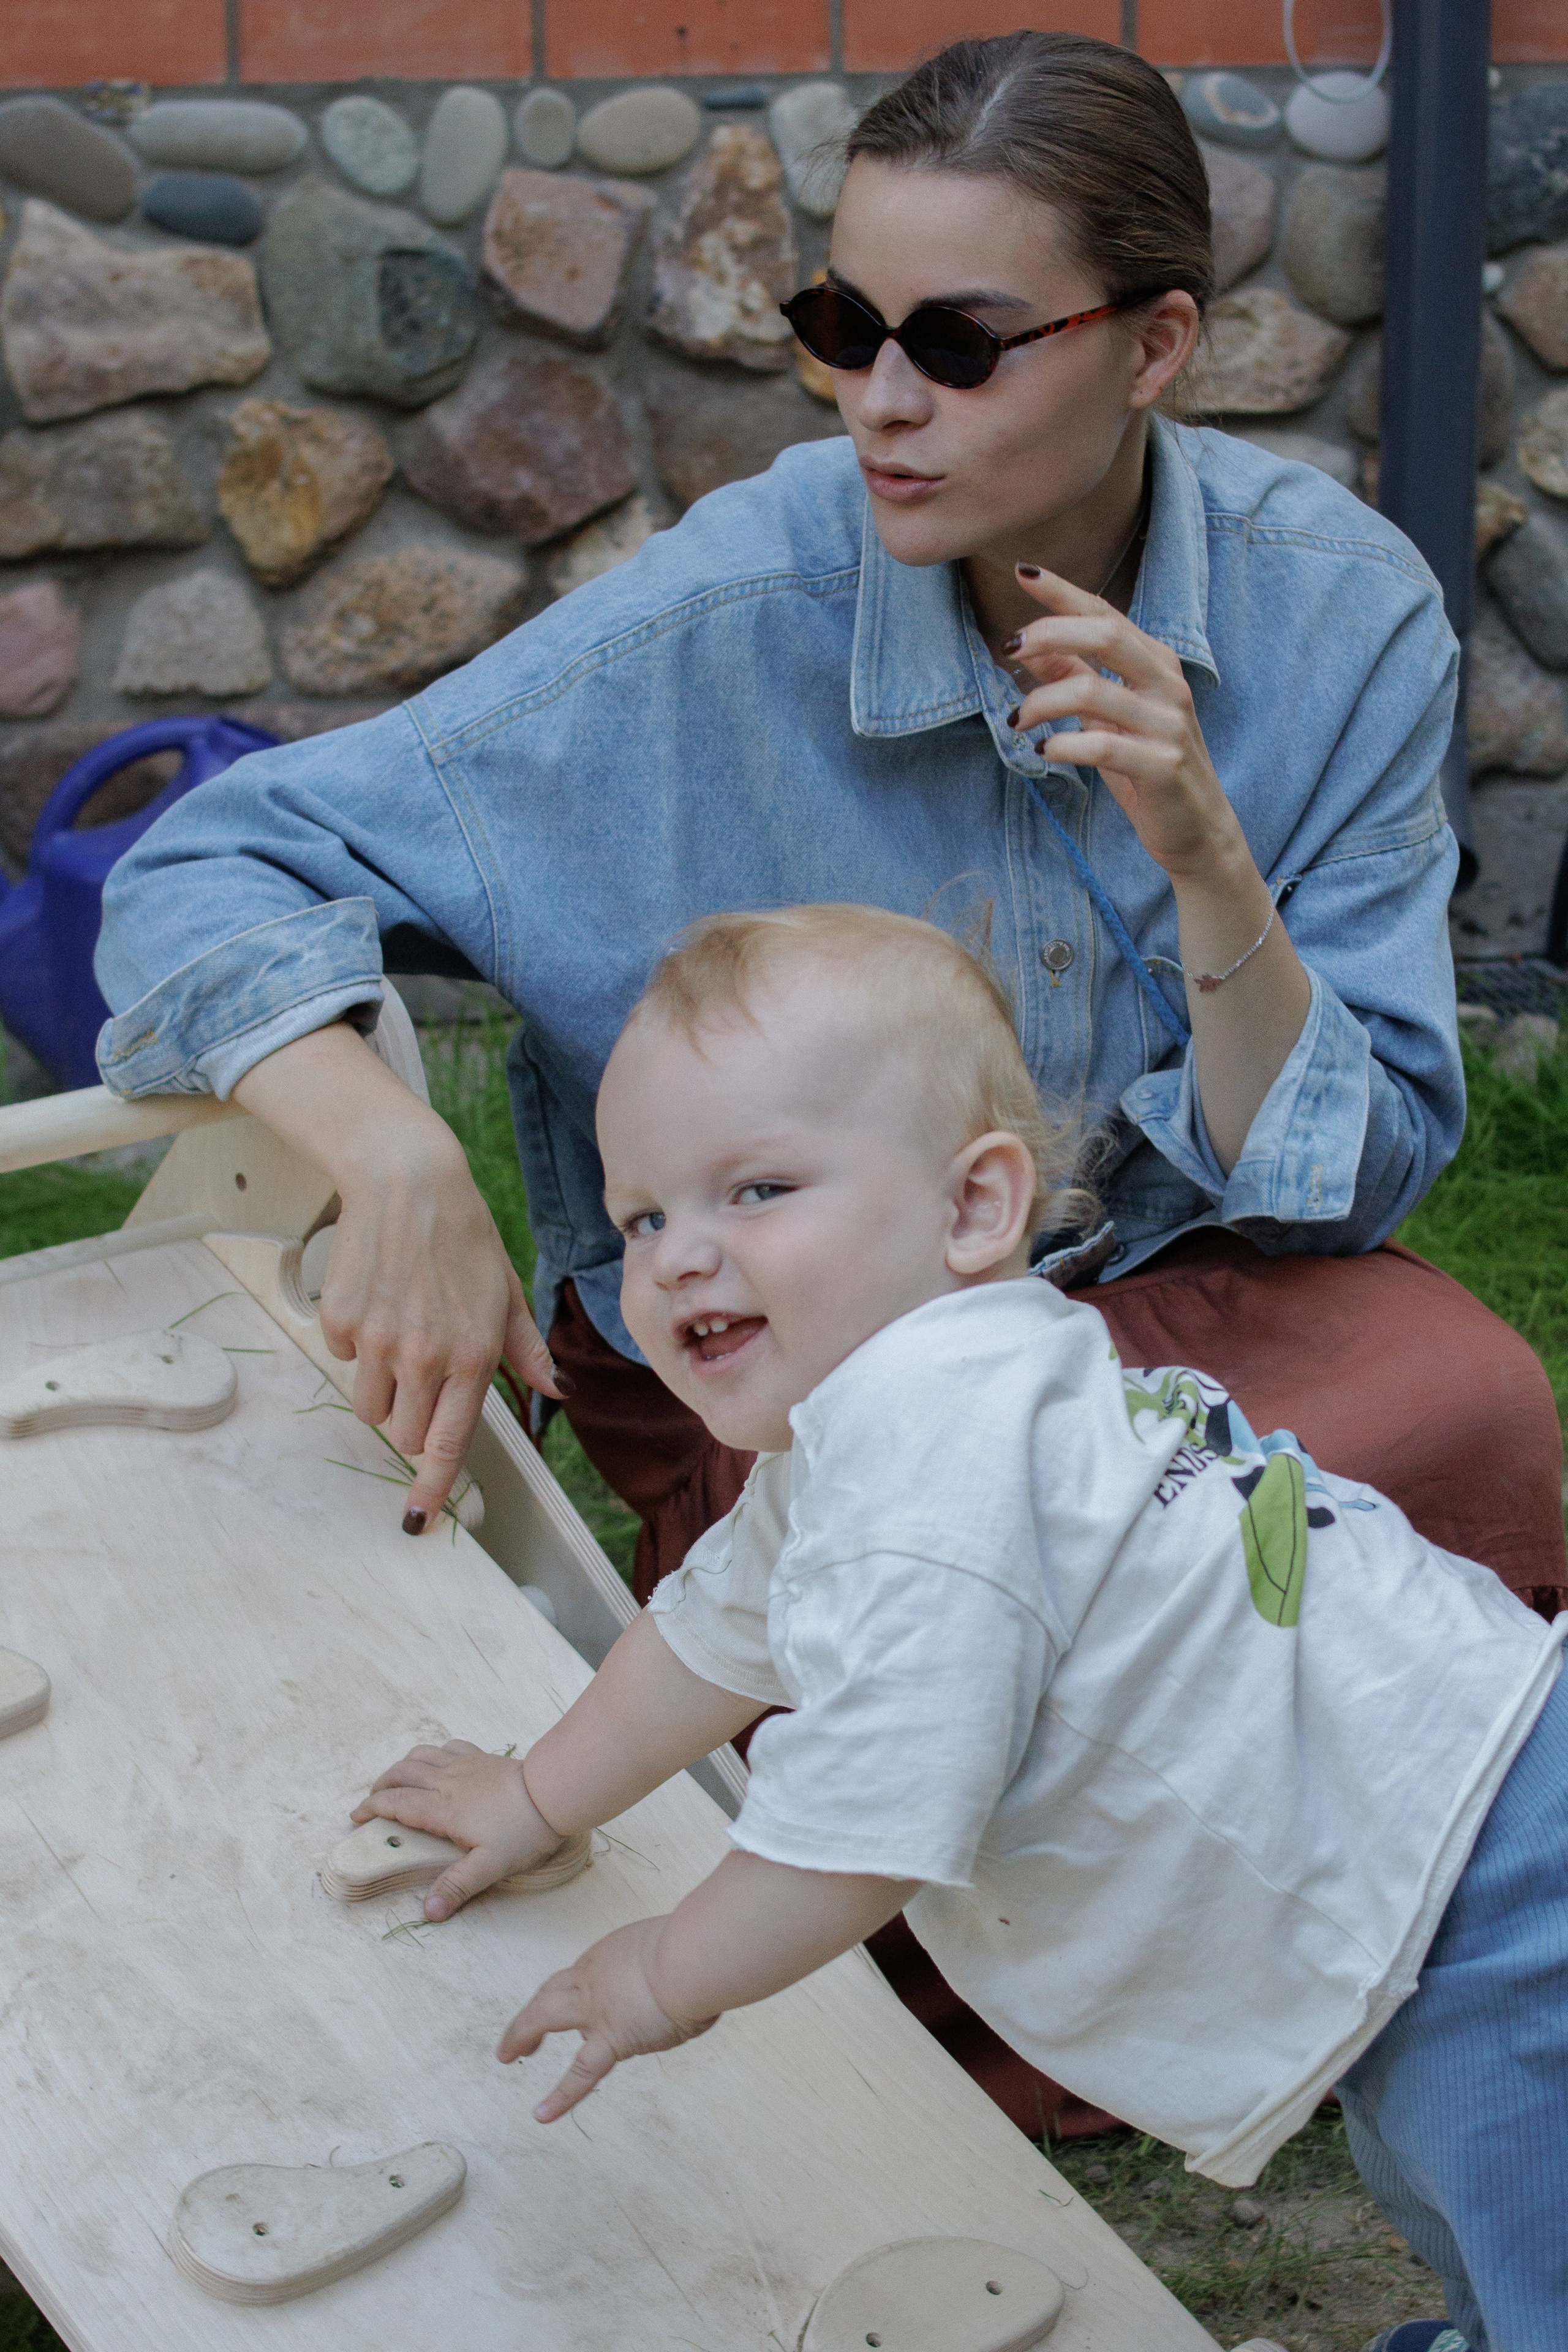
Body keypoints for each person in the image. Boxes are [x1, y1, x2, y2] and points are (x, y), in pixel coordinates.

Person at [94, 31, 1564, 2133]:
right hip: (782, 1350)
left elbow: (1344, 1184)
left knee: (1457, 1405)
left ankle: (1376, 1923)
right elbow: (210, 860)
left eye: (958, 343)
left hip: (1135, 1301)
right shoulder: (718, 621)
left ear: (1160, 344)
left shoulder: (1344, 620)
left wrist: (1207, 858)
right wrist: (389, 1153)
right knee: (943, 1619)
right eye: (839, 327)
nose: (882, 399)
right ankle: (1119, 1978)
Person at [353, 907, 1566, 2352]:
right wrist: (536, 1795)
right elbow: (709, 1638)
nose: (678, 1256)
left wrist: (658, 1974)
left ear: (973, 1210)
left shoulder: (929, 1469)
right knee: (1466, 2187)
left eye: (755, 1188)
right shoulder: (901, 1411)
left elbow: (862, 1829)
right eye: (643, 1216)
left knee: (1517, 2186)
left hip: (1496, 1897)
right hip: (1441, 1833)